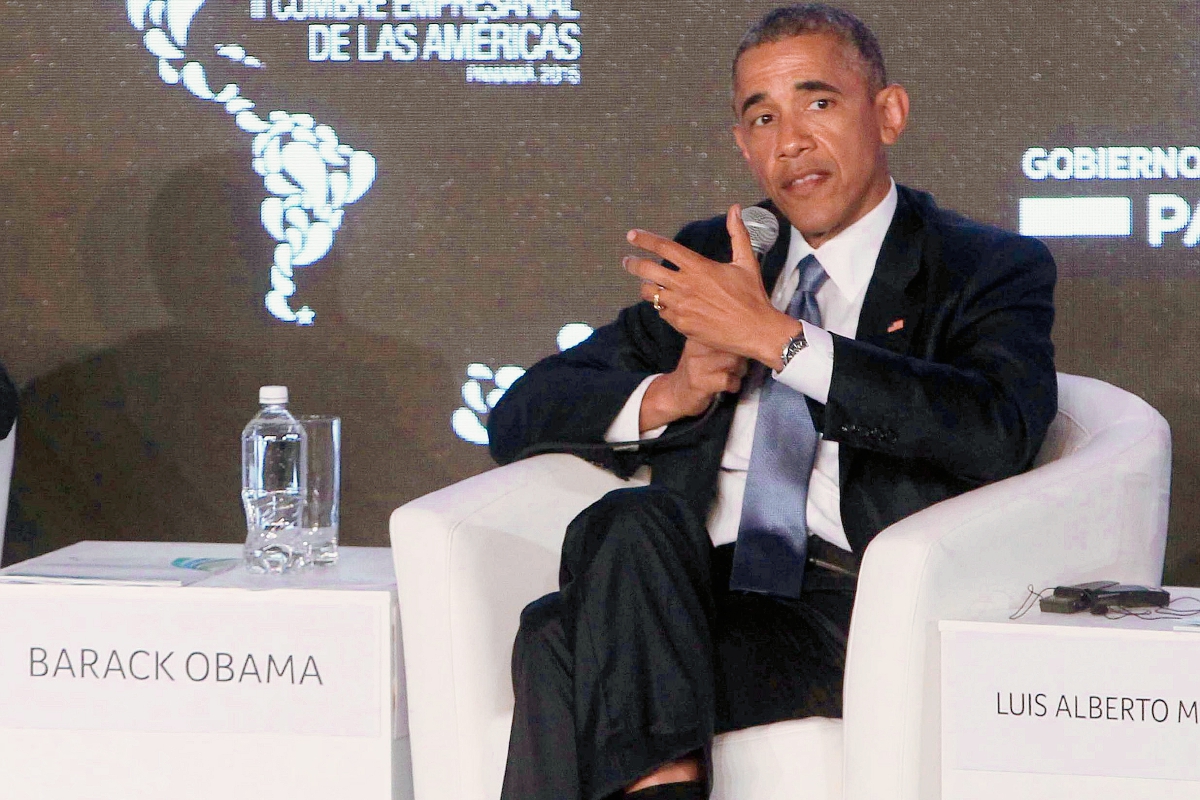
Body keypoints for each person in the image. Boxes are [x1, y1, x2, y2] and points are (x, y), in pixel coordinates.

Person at [487, 5, 1058, 799]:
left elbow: (996, 430)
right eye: (762, 117)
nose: (790, 140)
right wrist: (674, 392)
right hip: (697, 589)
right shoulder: (717, 258)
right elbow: (519, 413)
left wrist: (781, 340)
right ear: (743, 145)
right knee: (631, 525)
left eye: (817, 104)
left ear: (887, 114)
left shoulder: (981, 265)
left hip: (851, 607)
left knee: (557, 637)